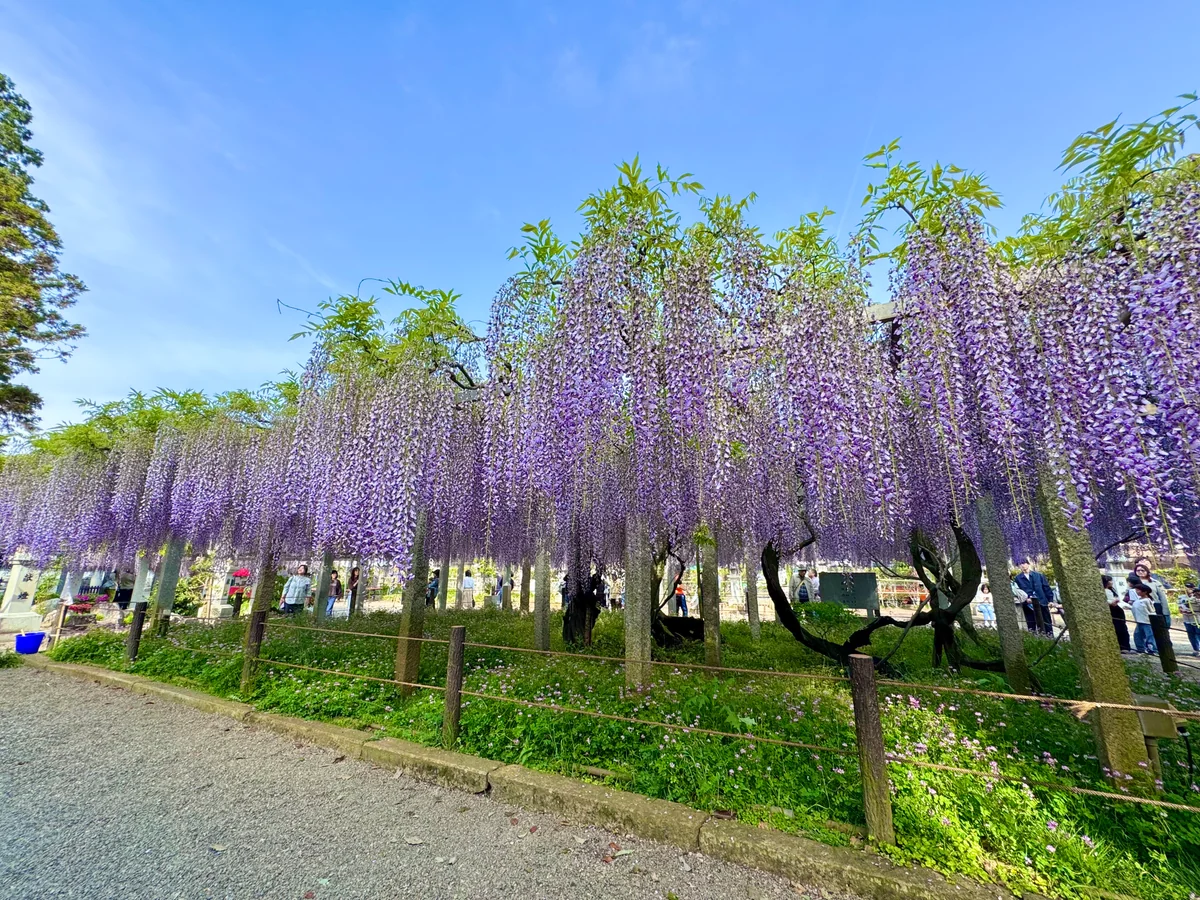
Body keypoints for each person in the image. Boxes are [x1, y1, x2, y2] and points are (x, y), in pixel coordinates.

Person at [1015, 561, 1054, 635]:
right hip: (1028, 605)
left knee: (1047, 623)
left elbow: (1046, 588)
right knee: (1031, 625)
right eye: (1020, 564)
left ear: (1028, 564)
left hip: (1042, 602)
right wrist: (1025, 599)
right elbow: (1018, 592)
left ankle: (1050, 638)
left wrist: (1050, 600)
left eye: (1024, 563)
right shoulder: (1018, 578)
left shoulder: (1039, 575)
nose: (1022, 565)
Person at [1130, 561, 1171, 628]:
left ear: (1147, 571)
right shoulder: (1133, 583)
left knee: (1159, 627)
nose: (1140, 572)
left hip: (1155, 605)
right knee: (1144, 629)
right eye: (1138, 570)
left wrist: (1166, 612)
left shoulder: (1154, 582)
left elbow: (1162, 597)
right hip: (1140, 608)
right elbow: (1127, 595)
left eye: (1142, 570)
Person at [1103, 574, 1132, 653]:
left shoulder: (1110, 590)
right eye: (1110, 580)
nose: (1111, 582)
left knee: (1121, 628)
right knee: (1119, 628)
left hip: (1116, 610)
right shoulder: (1105, 591)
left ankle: (1124, 646)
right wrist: (1113, 602)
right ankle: (1123, 646)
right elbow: (1109, 602)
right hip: (1113, 610)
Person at [1129, 580, 1158, 654]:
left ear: (1145, 592)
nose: (1137, 592)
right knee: (1137, 636)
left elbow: (1152, 610)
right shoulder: (1138, 600)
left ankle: (1151, 649)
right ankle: (1141, 649)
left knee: (1149, 636)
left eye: (1138, 590)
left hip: (1146, 621)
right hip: (1139, 621)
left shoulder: (1147, 600)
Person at [1182, 586, 1200, 657]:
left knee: (1198, 634)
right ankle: (1196, 649)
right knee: (1191, 635)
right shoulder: (1187, 599)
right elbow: (1184, 606)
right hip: (1188, 619)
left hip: (1198, 619)